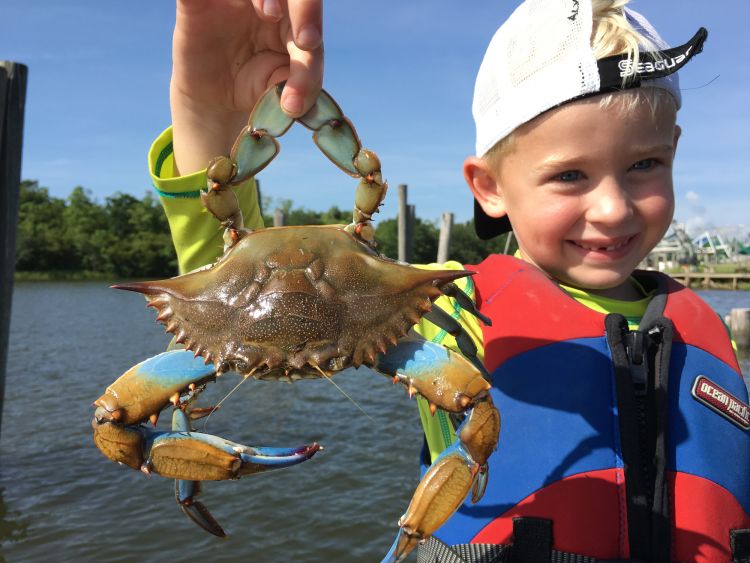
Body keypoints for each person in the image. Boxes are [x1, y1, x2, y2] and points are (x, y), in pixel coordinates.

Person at [148, 1, 750, 561]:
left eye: (645, 164)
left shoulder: (704, 326)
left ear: (674, 149)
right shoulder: (450, 300)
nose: (613, 209)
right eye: (570, 175)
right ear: (488, 187)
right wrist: (208, 113)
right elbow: (240, 284)